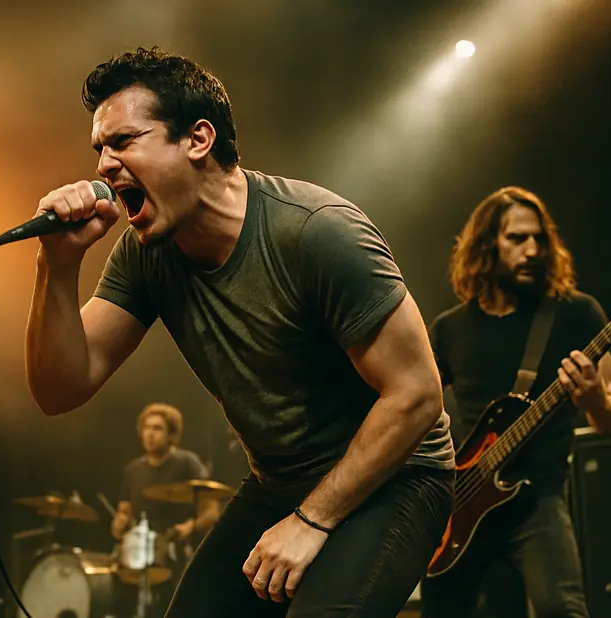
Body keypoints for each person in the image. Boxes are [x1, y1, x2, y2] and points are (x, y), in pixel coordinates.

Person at [23, 46, 456, 617]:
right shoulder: (145, 251)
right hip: (281, 483)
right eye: (99, 149)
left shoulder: (316, 232)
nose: (103, 165)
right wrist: (55, 265)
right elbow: (60, 388)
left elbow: (418, 393)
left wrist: (311, 520)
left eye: (124, 141)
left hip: (399, 476)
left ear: (198, 140)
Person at [420, 187, 611, 618]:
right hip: (463, 505)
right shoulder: (449, 329)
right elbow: (415, 413)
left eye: (540, 239)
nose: (532, 250)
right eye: (517, 239)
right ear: (486, 245)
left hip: (538, 501)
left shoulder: (576, 314)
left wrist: (593, 397)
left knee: (560, 608)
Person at [110, 402, 220, 617]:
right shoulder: (133, 469)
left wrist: (189, 527)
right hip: (138, 552)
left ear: (172, 434)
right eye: (146, 428)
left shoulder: (187, 462)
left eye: (157, 428)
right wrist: (118, 523)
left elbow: (211, 512)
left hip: (177, 548)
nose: (150, 434)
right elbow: (125, 510)